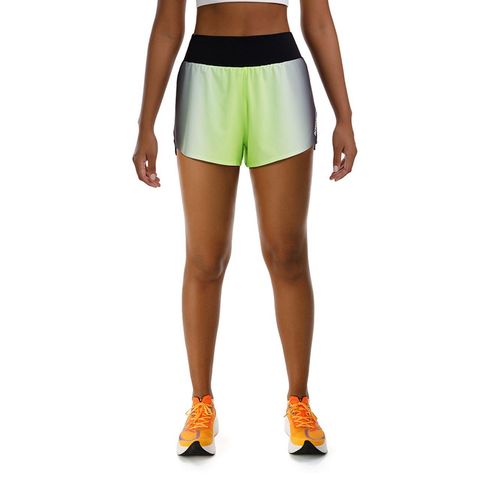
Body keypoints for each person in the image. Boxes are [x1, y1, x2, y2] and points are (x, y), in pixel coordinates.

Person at [132, 0, 357, 456]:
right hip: (205, 80)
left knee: (287, 252)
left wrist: (345, 117)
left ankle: (299, 401)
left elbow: (317, 20)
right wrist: (145, 124)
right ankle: (201, 403)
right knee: (205, 257)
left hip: (281, 79)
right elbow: (168, 27)